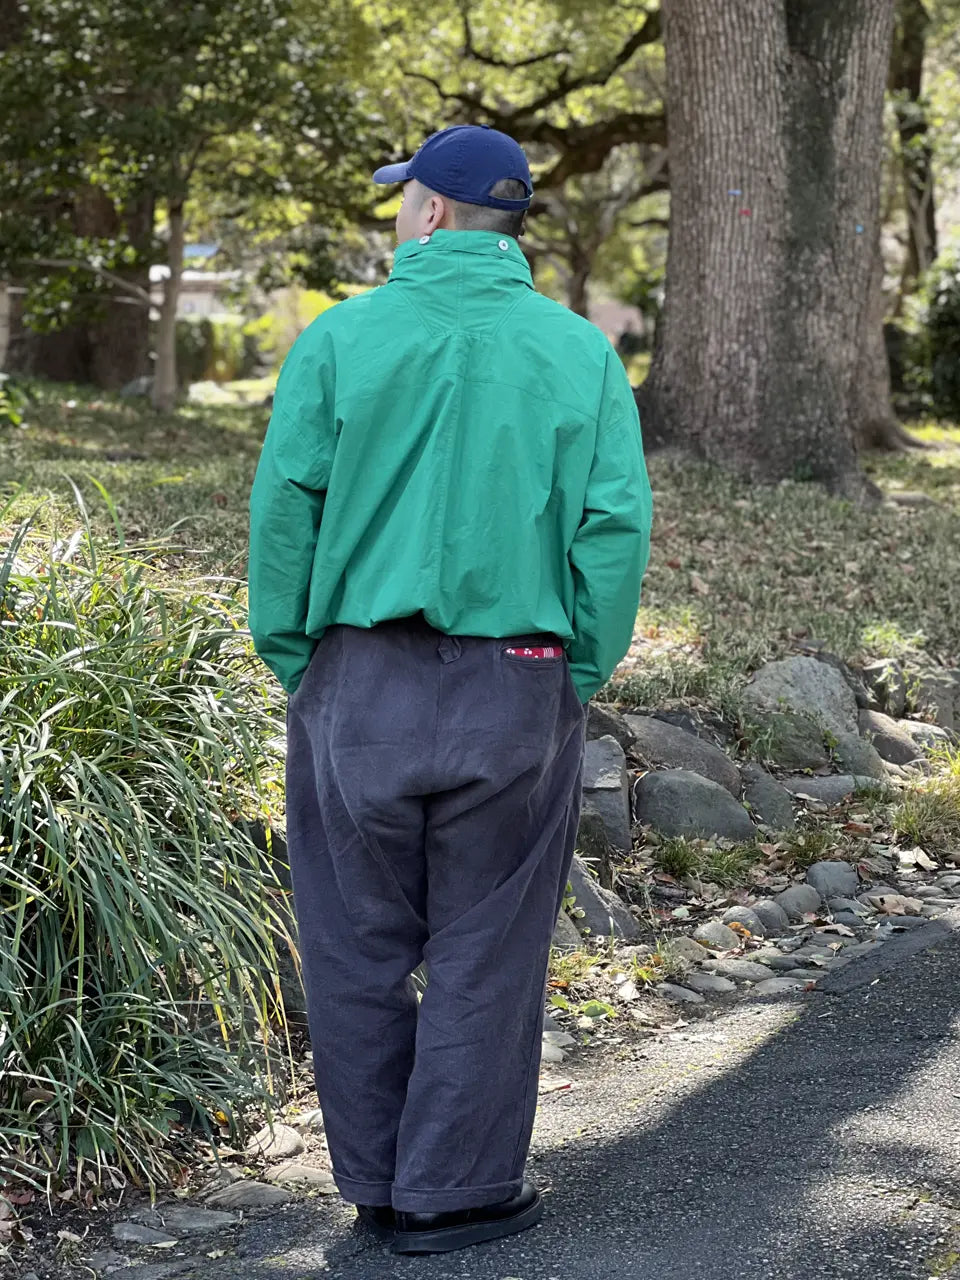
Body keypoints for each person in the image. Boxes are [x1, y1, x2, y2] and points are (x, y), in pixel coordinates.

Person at [247, 124, 652, 1256]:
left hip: (356, 677)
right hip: (515, 678)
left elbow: (287, 509)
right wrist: (570, 671)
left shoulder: (339, 340)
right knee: (488, 943)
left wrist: (300, 656)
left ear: (429, 213)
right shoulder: (579, 356)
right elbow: (613, 530)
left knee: (351, 941)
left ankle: (377, 1181)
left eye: (399, 197)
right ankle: (455, 1190)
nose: (394, 213)